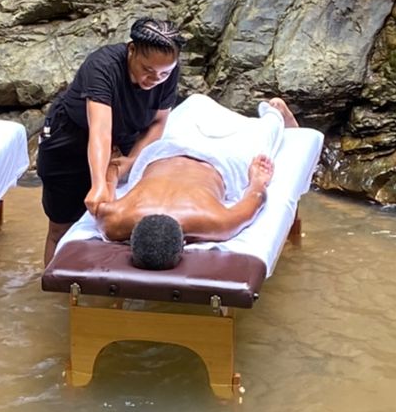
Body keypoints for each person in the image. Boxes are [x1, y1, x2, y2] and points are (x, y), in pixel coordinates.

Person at [37, 17, 184, 264]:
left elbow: (157, 122)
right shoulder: (103, 66)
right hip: (70, 141)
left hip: (124, 139)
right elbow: (100, 130)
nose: (155, 79)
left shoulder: (167, 71)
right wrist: (98, 184)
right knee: (61, 226)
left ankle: (103, 278)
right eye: (147, 70)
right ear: (131, 50)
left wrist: (132, 160)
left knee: (115, 223)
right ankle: (53, 282)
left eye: (164, 73)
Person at [96, 98, 299, 269]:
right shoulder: (114, 220)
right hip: (171, 150)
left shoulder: (215, 223)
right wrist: (114, 167)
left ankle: (275, 114)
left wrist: (257, 180)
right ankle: (275, 113)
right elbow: (108, 181)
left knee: (264, 131)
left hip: (217, 158)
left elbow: (256, 198)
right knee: (195, 102)